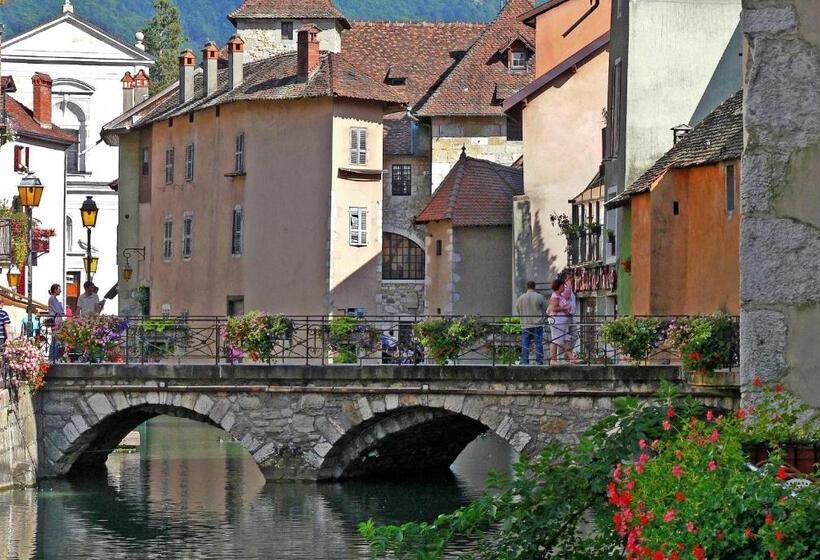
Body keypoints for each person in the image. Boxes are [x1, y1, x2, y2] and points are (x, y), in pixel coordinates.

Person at [515, 280, 548, 365]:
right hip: (537, 323)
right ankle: (539, 361)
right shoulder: (539, 297)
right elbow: (546, 308)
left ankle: (525, 361)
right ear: (534, 286)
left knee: (525, 343)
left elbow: (517, 309)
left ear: (527, 287)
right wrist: (543, 317)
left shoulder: (521, 298)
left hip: (525, 324)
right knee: (538, 342)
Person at [549, 278, 573, 363]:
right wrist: (564, 308)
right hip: (557, 321)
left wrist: (569, 285)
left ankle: (572, 358)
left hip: (562, 321)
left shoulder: (560, 295)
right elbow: (553, 308)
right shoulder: (555, 296)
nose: (564, 287)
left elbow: (568, 295)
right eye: (563, 285)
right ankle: (553, 360)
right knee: (556, 340)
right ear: (559, 286)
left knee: (565, 340)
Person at [47, 283, 65, 362]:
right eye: (59, 289)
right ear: (55, 290)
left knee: (56, 339)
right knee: (55, 339)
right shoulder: (52, 299)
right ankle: (53, 357)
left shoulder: (54, 299)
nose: (60, 291)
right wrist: (61, 308)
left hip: (58, 320)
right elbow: (60, 311)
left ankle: (54, 357)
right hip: (55, 320)